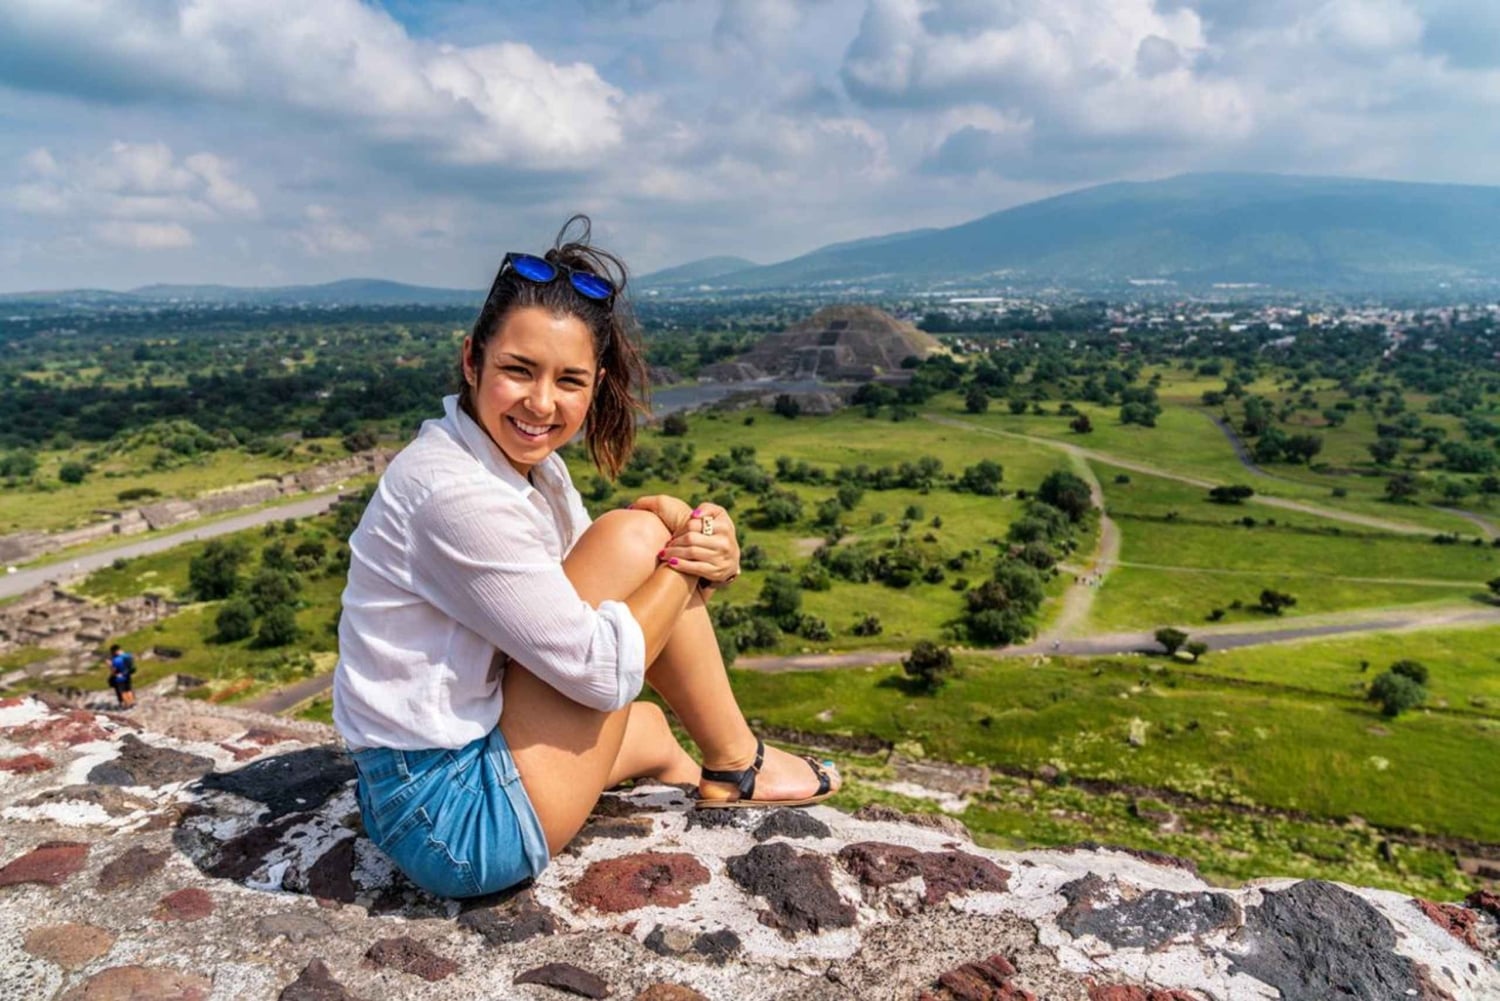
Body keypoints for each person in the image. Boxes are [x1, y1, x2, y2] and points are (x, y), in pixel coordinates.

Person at [331, 216, 838, 900]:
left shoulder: (525, 467)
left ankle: (692, 762)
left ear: (596, 383)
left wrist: (685, 537)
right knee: (634, 542)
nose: (542, 402)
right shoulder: (452, 491)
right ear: (472, 360)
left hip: (441, 771)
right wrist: (680, 554)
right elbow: (602, 671)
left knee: (650, 718)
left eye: (569, 380)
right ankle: (739, 763)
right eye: (518, 370)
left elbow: (591, 599)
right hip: (455, 824)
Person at [106, 644, 135, 708]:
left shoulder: (116, 660)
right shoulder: (127, 655)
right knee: (128, 689)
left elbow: (114, 670)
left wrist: (110, 666)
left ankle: (127, 704)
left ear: (113, 651)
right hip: (127, 675)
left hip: (119, 677)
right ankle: (132, 702)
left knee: (123, 691)